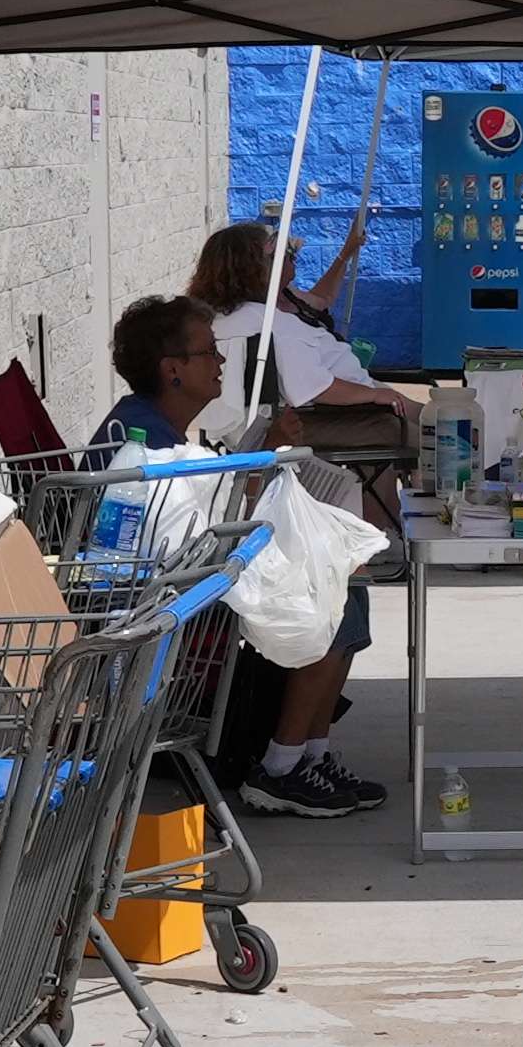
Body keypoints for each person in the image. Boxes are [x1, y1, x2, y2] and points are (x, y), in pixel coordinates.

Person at [91, 295, 380, 819]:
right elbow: (186, 536)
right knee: (332, 596)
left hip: (189, 577)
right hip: (163, 593)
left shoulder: (158, 428)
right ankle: (281, 766)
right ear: (173, 370)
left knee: (344, 579)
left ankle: (310, 754)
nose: (221, 362)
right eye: (209, 352)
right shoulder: (141, 441)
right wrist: (262, 459)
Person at [187, 219, 421, 522]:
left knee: (431, 417)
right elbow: (314, 387)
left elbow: (320, 304)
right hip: (300, 421)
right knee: (427, 432)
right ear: (256, 269)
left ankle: (386, 530)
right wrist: (374, 395)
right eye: (280, 252)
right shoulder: (266, 321)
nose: (290, 255)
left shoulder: (234, 314)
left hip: (282, 420)